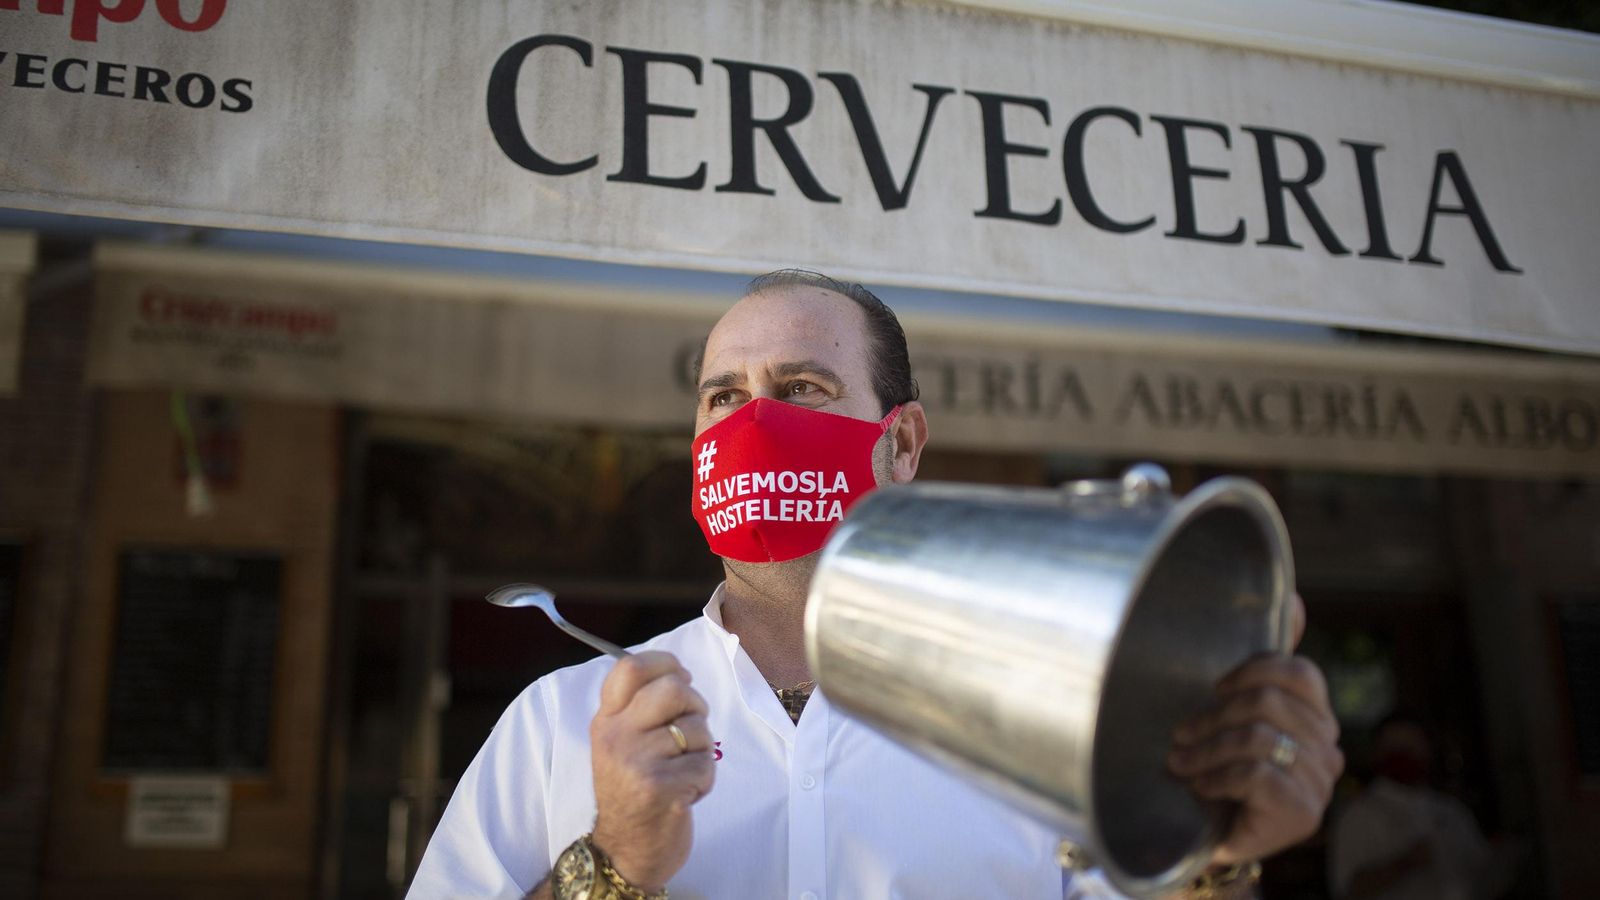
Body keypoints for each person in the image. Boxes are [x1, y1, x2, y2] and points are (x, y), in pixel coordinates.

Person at [408, 270, 1344, 899]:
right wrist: (610, 861)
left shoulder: (1050, 715)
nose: (754, 422)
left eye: (803, 387)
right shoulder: (561, 721)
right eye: (723, 395)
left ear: (900, 444)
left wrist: (1217, 861)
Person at [1329, 716, 1505, 900]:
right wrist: (1405, 863)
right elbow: (1349, 890)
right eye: (1394, 747)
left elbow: (1483, 873)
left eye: (1411, 745)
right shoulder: (1357, 817)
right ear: (1376, 752)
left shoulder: (1451, 810)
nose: (1404, 754)